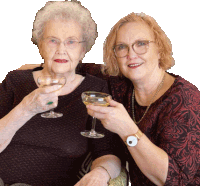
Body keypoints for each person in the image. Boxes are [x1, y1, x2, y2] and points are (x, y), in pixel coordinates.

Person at [21, 12, 200, 185]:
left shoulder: (185, 99)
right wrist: (39, 68)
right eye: (122, 47)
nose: (131, 54)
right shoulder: (121, 84)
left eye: (141, 44)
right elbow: (80, 67)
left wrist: (127, 129)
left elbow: (175, 180)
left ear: (159, 49)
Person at [0, 1, 123, 186]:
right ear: (40, 45)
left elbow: (108, 152)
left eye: (71, 41)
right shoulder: (15, 81)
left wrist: (101, 173)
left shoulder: (95, 91)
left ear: (83, 50)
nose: (61, 49)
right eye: (52, 40)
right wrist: (25, 108)